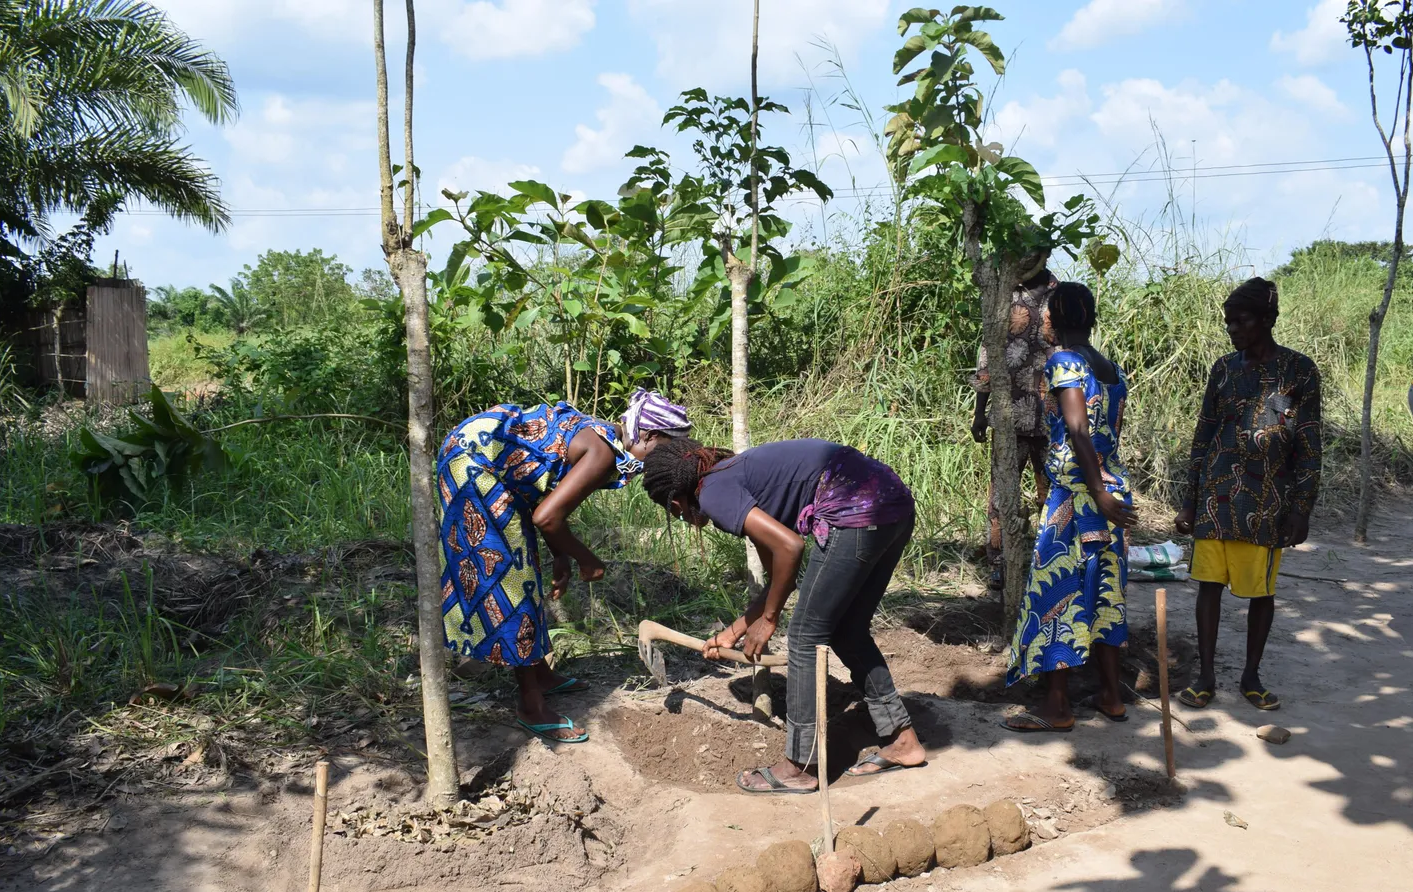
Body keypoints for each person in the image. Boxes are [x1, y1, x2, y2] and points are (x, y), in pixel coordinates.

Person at [641, 437, 923, 794]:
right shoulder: (736, 475)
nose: (683, 518)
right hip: (890, 499)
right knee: (847, 629)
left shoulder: (713, 493)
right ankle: (903, 741)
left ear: (677, 498)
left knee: (806, 637)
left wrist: (770, 619)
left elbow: (791, 547)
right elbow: (779, 573)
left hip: (853, 510)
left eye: (676, 512)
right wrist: (735, 631)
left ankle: (798, 767)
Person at [437, 392, 688, 742]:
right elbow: (547, 516)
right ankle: (530, 704)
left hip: (484, 460)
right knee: (511, 582)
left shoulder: (604, 440)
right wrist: (587, 559)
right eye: (664, 451)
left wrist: (560, 556)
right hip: (473, 465)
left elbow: (547, 498)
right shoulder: (601, 453)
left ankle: (540, 673)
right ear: (647, 436)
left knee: (524, 569)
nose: (658, 463)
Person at [1174, 277, 1321, 711]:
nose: (1233, 329)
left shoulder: (1299, 371)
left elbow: (1309, 445)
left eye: (1242, 321)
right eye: (1228, 323)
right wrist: (1189, 498)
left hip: (1267, 501)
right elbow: (1203, 435)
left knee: (1261, 592)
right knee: (1208, 586)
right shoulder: (1223, 369)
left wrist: (1301, 508)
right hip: (1215, 498)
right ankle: (1204, 676)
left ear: (1268, 319)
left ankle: (1251, 675)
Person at [1004, 282, 1139, 733]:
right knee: (1105, 594)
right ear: (1092, 318)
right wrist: (1107, 491)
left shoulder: (1064, 362)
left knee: (1057, 592)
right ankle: (1111, 695)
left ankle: (1058, 706)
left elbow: (1079, 430)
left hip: (1078, 494)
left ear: (1054, 321)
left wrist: (1095, 489)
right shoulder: (1111, 368)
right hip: (1112, 494)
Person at [970, 250, 1058, 589]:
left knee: (1051, 495)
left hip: (1053, 417)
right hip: (1009, 419)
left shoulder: (1061, 297)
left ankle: (1049, 564)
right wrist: (980, 410)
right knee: (1002, 497)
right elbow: (988, 353)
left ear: (1043, 255)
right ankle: (1000, 566)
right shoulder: (1003, 296)